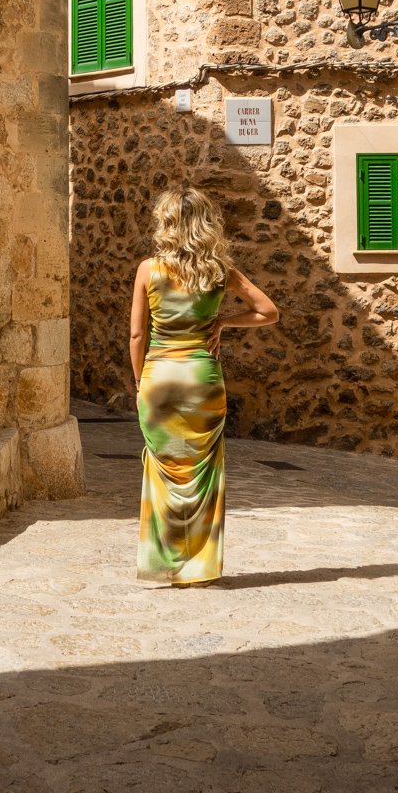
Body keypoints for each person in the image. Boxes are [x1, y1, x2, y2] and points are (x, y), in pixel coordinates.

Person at [131, 187, 278, 585]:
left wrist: (140, 381)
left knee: (163, 471)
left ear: (167, 223)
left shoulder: (149, 270)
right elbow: (268, 311)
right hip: (203, 380)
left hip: (159, 377)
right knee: (203, 473)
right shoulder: (220, 271)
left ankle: (164, 563)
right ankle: (198, 566)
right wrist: (223, 321)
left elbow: (136, 336)